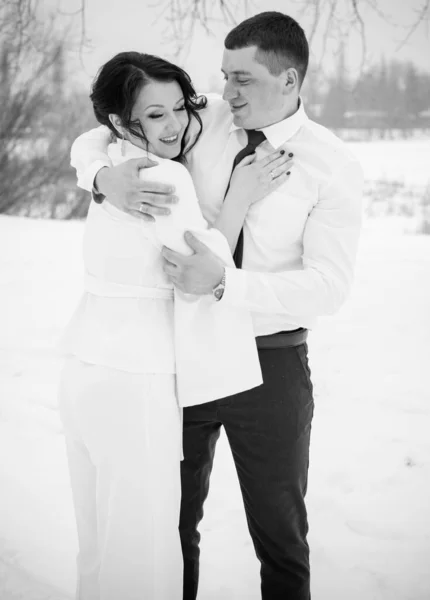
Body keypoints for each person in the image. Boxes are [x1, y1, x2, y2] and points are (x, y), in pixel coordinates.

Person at [71, 11, 363, 600]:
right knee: (172, 528)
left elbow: (328, 286)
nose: (224, 93)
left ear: (290, 81)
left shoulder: (332, 165)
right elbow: (101, 131)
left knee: (281, 538)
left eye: (243, 80)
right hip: (182, 357)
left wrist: (226, 284)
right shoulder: (199, 118)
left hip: (271, 365)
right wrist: (103, 178)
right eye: (223, 75)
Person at [60, 51, 292, 600]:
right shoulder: (160, 176)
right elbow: (201, 263)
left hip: (85, 370)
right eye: (155, 116)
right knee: (144, 555)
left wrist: (95, 173)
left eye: (179, 108)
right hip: (135, 380)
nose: (176, 125)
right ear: (120, 122)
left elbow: (88, 143)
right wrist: (239, 196)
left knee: (99, 544)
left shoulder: (114, 159)